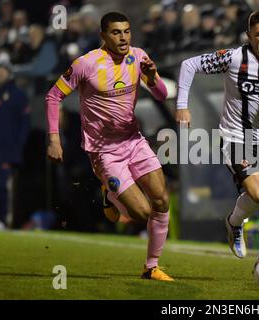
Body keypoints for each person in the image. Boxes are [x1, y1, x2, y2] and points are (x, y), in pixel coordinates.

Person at [45, 12, 173, 281]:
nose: (123, 37)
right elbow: (53, 96)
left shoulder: (138, 57)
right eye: (116, 32)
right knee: (141, 212)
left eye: (126, 31)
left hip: (134, 140)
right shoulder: (86, 64)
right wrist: (55, 139)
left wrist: (153, 77)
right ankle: (109, 192)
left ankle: (151, 267)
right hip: (104, 152)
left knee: (161, 200)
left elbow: (162, 95)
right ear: (103, 36)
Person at [176, 9, 259, 263]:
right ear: (248, 35)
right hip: (238, 139)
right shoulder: (233, 58)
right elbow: (189, 65)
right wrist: (181, 105)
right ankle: (234, 222)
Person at [0, 60, 30, 230]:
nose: (1, 73)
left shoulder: (18, 94)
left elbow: (24, 123)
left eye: (4, 69)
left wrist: (18, 145)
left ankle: (2, 220)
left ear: (9, 73)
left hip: (7, 149)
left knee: (1, 186)